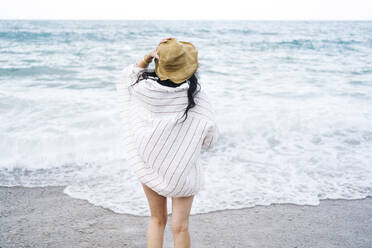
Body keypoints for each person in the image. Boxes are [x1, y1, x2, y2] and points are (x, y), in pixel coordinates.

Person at [115, 37, 218, 248]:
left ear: (159, 64)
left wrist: (146, 57)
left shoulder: (143, 90)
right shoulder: (196, 96)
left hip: (149, 162)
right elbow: (210, 138)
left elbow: (127, 76)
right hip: (182, 171)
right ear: (188, 67)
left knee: (157, 220)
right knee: (180, 228)